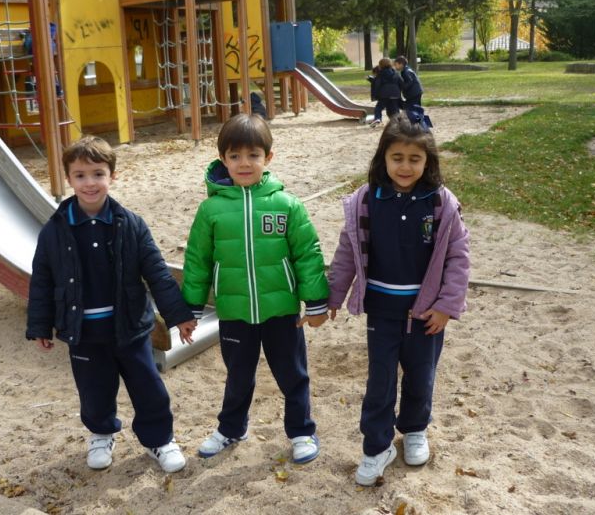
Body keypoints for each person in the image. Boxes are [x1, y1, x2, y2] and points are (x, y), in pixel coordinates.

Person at [26, 136, 197, 474]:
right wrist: (40, 325)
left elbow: (157, 273)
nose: (89, 183)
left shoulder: (131, 224)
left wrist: (179, 316)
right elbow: (42, 279)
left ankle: (159, 440)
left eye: (98, 174)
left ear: (112, 176)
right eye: (80, 175)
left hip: (129, 327)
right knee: (94, 391)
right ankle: (102, 434)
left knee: (148, 387)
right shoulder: (54, 231)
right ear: (68, 179)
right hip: (84, 331)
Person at [326, 113, 470, 486]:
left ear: (428, 161)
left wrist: (446, 306)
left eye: (414, 159)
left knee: (421, 375)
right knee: (380, 381)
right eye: (397, 158)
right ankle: (377, 447)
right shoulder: (366, 200)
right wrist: (334, 294)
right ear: (383, 158)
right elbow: (347, 251)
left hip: (427, 313)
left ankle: (415, 429)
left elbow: (458, 257)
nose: (405, 167)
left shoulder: (440, 203)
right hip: (382, 311)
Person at [182, 113, 330, 465]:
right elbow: (197, 261)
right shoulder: (211, 210)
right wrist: (190, 309)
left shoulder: (286, 205)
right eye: (235, 156)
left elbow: (307, 254)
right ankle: (232, 428)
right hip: (234, 312)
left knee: (292, 374)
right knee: (238, 376)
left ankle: (301, 432)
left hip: (281, 311)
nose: (244, 163)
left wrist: (316, 302)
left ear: (268, 157)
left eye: (253, 155)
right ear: (223, 160)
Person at [371, 58, 403, 127]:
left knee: (378, 108)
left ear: (380, 65)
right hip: (395, 94)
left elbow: (377, 84)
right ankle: (398, 122)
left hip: (384, 95)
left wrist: (376, 94)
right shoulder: (396, 73)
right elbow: (401, 83)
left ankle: (378, 118)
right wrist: (399, 92)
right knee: (395, 109)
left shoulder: (380, 74)